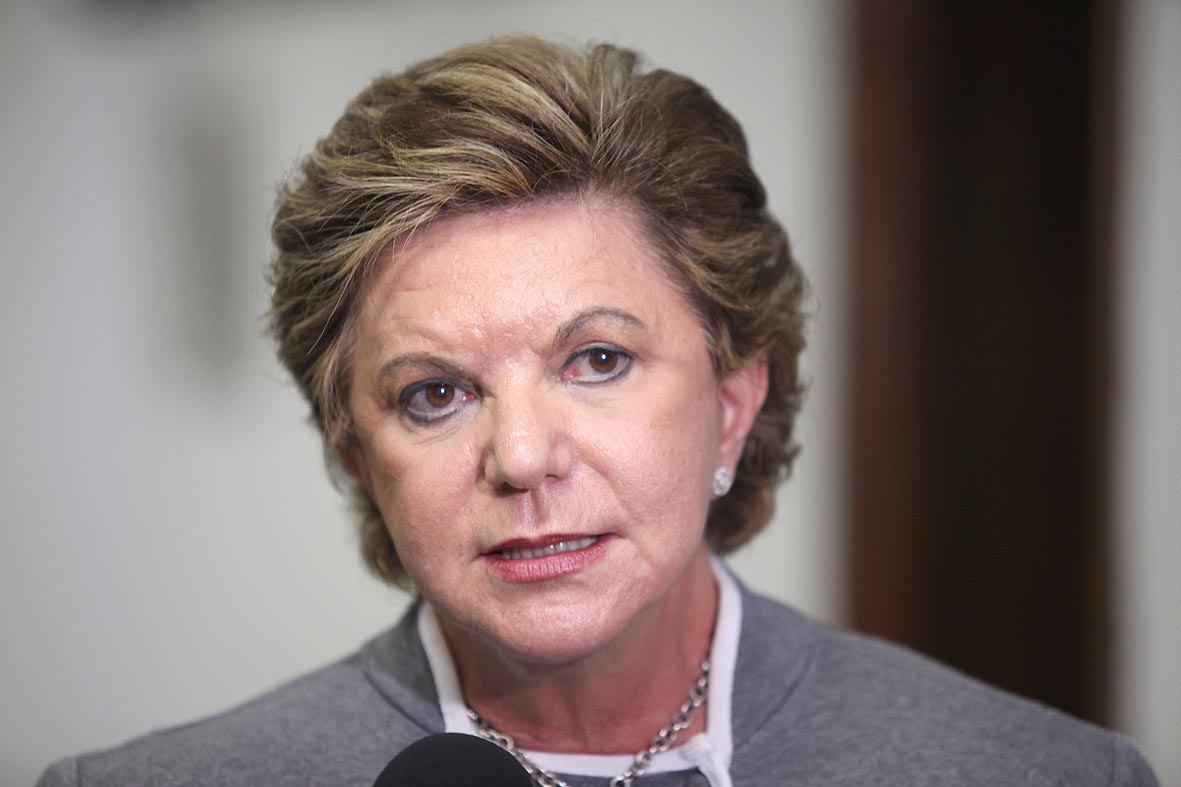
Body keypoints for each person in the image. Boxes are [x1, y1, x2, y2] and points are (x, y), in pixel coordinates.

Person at [37, 35, 1156, 787]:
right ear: (358, 455)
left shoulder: (1039, 775)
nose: (522, 456)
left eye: (598, 360)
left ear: (733, 403)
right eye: (435, 393)